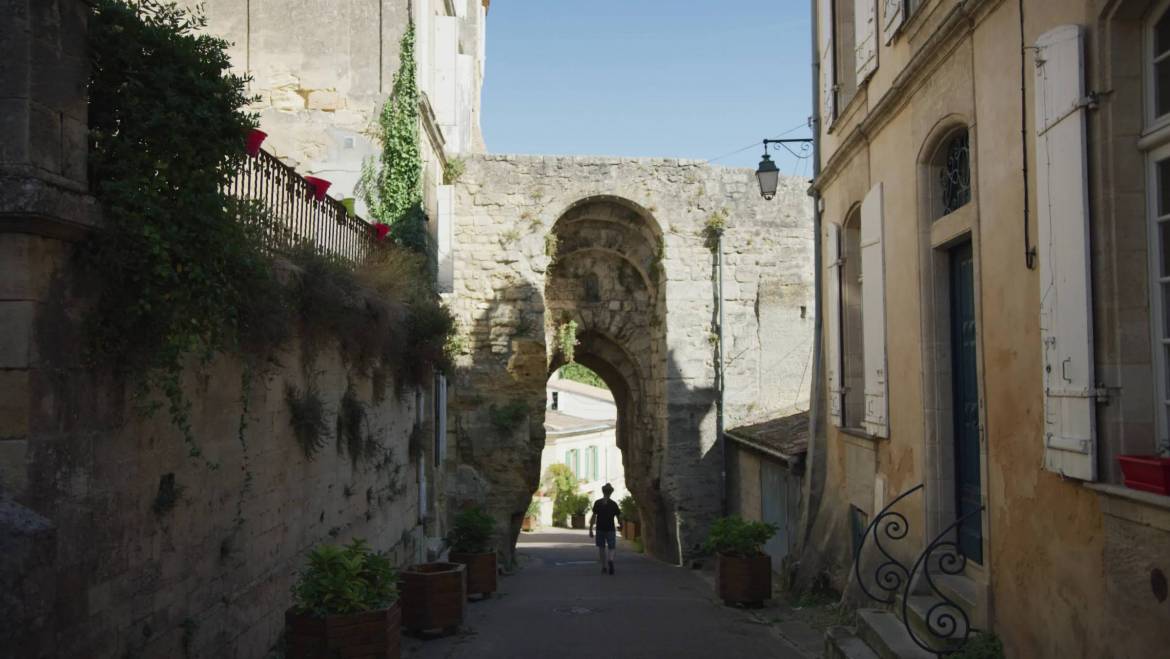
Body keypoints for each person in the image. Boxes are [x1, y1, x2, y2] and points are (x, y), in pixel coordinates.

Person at [588, 483, 621, 575]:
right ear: (611, 493)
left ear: (603, 491)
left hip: (600, 528)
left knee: (601, 548)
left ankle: (604, 566)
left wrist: (590, 529)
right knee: (612, 547)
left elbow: (593, 517)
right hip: (610, 528)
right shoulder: (614, 504)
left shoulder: (597, 503)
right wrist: (621, 525)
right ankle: (610, 559)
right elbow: (619, 517)